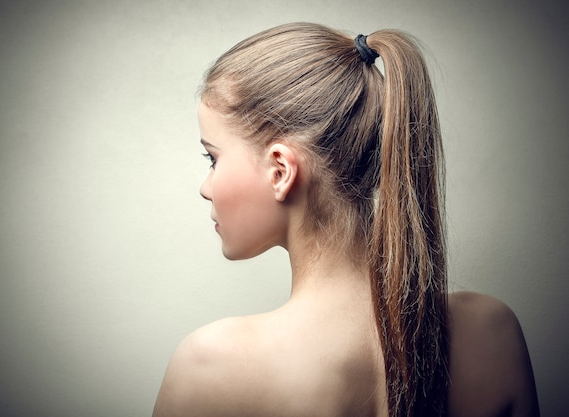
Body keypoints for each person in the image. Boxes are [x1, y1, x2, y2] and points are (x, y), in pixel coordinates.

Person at [152, 22, 539, 417]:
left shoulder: (211, 368)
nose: (206, 186)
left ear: (280, 171)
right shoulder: (493, 332)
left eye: (212, 158)